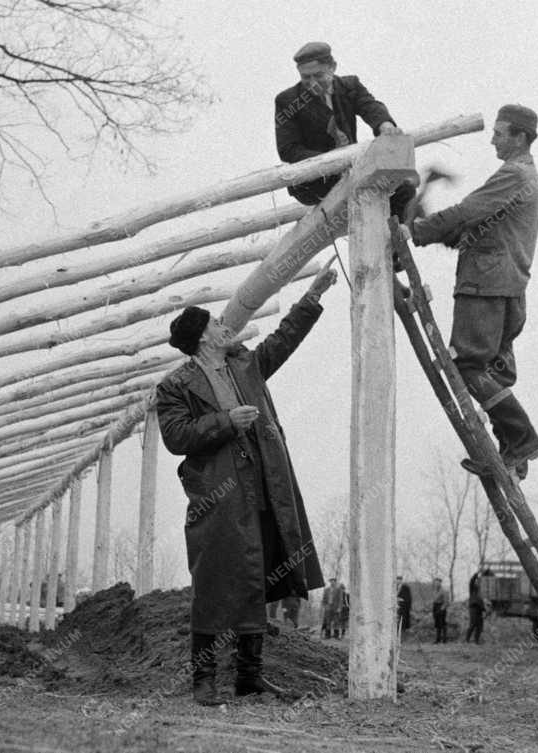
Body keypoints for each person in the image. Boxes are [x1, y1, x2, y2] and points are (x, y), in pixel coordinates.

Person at [156, 264, 338, 706]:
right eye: (215, 323)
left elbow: (283, 339)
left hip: (264, 487)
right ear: (203, 339)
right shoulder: (174, 386)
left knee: (258, 576)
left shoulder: (245, 365)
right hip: (217, 497)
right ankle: (204, 679)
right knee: (213, 581)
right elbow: (176, 437)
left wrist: (312, 297)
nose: (225, 325)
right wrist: (226, 422)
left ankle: (249, 677)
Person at [403, 105, 538, 479]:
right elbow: (470, 229)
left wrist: (413, 231)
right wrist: (429, 228)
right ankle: (512, 453)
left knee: (467, 364)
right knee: (493, 372)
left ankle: (522, 439)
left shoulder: (514, 174)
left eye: (500, 133)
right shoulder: (524, 177)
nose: (493, 139)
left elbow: (467, 212)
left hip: (486, 286)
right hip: (507, 288)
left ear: (520, 137)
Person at [275, 41, 415, 219]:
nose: (312, 83)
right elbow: (288, 149)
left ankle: (398, 231)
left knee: (403, 189)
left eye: (318, 76)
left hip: (352, 170)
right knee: (364, 186)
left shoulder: (350, 86)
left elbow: (370, 107)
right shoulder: (287, 101)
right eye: (306, 78)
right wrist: (331, 162)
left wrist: (385, 126)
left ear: (333, 67)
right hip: (315, 181)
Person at [465, 571, 486, 644]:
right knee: (473, 624)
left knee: (479, 626)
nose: (477, 582)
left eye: (478, 581)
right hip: (473, 608)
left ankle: (476, 641)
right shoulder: (472, 589)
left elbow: (481, 601)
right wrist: (476, 574)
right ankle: (467, 640)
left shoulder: (480, 591)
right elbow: (471, 581)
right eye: (476, 581)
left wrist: (484, 610)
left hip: (480, 609)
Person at [431, 577, 448, 643]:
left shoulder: (444, 591)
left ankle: (444, 639)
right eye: (435, 582)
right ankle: (437, 639)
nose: (436, 584)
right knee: (437, 624)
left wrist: (442, 609)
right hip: (435, 607)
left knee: (443, 624)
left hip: (441, 607)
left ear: (440, 583)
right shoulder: (434, 591)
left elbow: (446, 601)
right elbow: (434, 600)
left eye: (438, 582)